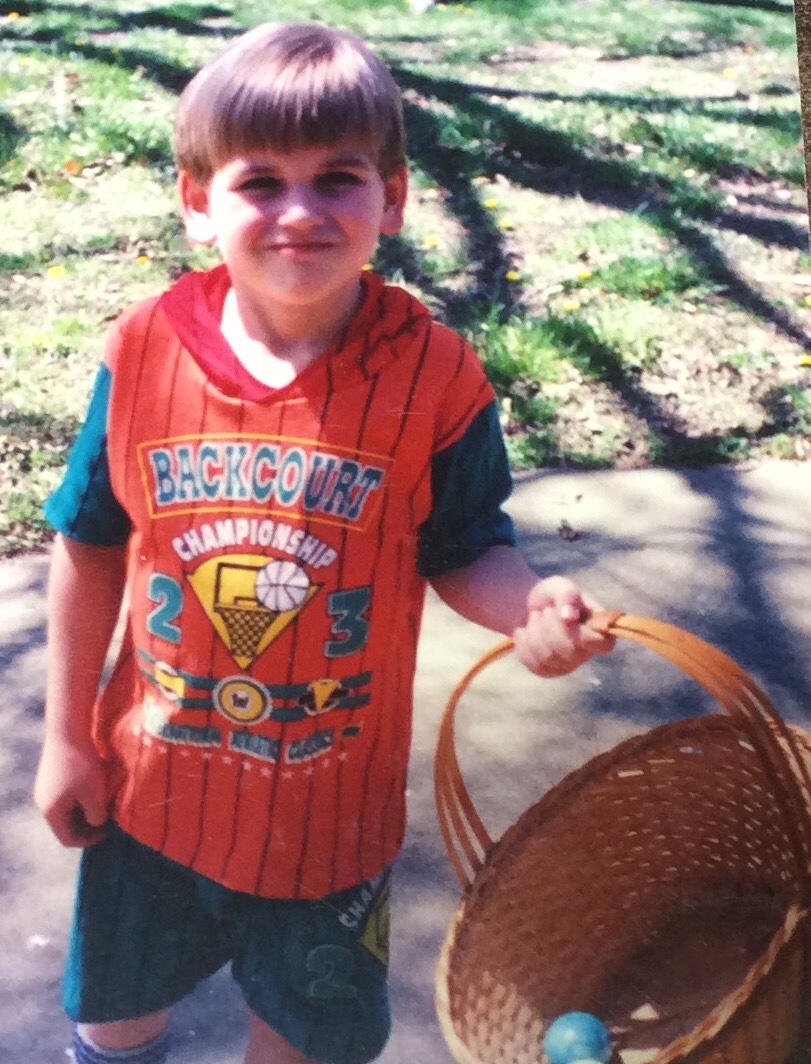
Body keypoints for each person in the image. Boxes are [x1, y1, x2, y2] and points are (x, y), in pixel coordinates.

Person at [33, 21, 614, 1064]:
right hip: (149, 789)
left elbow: (463, 547)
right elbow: (88, 540)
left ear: (391, 197)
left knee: (302, 1039)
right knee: (113, 1020)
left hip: (327, 822)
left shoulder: (437, 377)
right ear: (197, 200)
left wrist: (527, 606)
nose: (299, 211)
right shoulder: (143, 349)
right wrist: (66, 736)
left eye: (337, 178)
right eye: (260, 182)